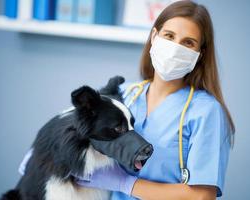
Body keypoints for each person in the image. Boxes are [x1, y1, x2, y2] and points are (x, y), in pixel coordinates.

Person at [76, 1, 235, 200]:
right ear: (154, 36)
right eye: (169, 36)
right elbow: (78, 127)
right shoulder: (124, 94)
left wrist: (126, 184)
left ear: (199, 55)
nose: (175, 48)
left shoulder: (206, 112)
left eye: (188, 42)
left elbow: (202, 196)